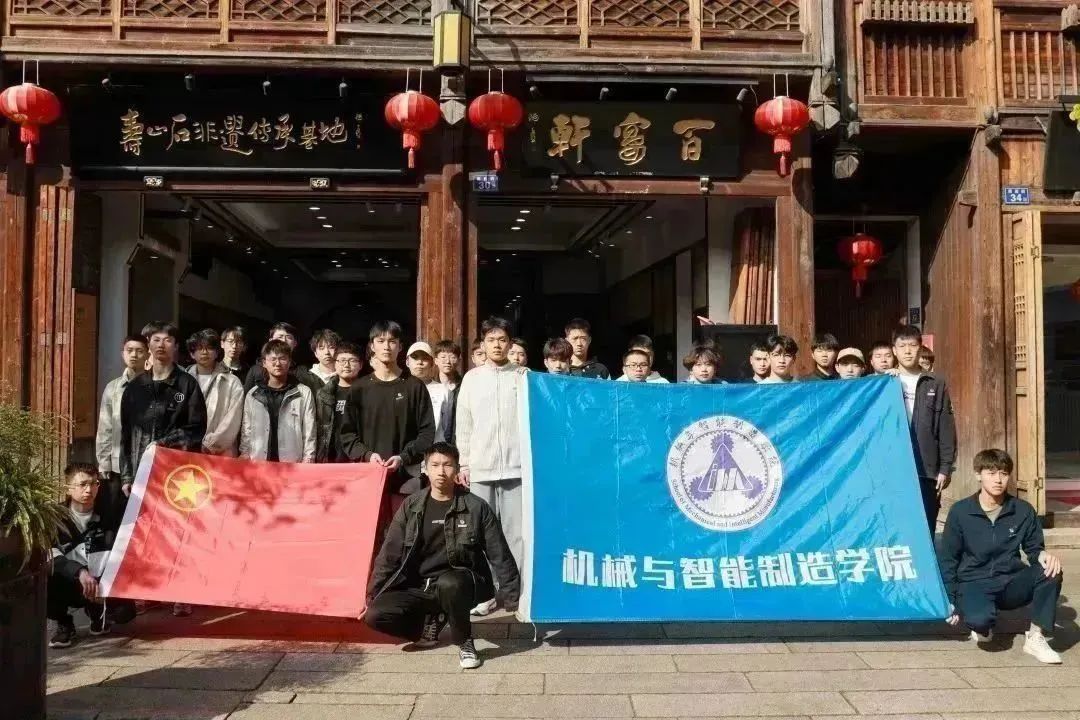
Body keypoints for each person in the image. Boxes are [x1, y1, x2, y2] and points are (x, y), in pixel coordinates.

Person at [364, 443, 520, 670]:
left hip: (464, 583)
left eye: (447, 465)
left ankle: (464, 640)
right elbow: (390, 553)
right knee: (375, 615)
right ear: (425, 469)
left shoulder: (475, 507)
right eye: (435, 465)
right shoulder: (412, 506)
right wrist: (372, 595)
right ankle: (428, 625)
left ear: (457, 468)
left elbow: (500, 553)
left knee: (450, 584)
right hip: (422, 586)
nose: (441, 471)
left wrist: (513, 598)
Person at [941, 449, 1064, 664]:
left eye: (1004, 473)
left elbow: (1034, 549)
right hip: (974, 581)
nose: (998, 480)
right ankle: (982, 623)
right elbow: (949, 559)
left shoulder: (1022, 510)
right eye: (991, 473)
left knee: (1051, 570)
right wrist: (948, 600)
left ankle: (1035, 637)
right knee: (980, 621)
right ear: (978, 475)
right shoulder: (961, 512)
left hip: (1010, 581)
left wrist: (1043, 555)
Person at [456, 316, 525, 616]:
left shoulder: (522, 377)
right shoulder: (472, 379)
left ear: (510, 344)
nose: (497, 345)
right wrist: (465, 462)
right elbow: (464, 423)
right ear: (482, 344)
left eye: (502, 339)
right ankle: (487, 593)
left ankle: (518, 593)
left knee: (516, 534)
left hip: (516, 468)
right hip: (481, 468)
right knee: (480, 534)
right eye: (491, 339)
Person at [339, 321, 435, 494]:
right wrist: (367, 455)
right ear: (372, 346)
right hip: (368, 476)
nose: (386, 347)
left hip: (407, 478)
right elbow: (347, 433)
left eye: (392, 341)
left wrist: (403, 457)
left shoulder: (414, 386)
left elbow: (427, 432)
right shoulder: (359, 388)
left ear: (400, 347)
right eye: (381, 341)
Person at [49, 465, 120, 648]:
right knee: (44, 580)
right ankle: (64, 623)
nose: (89, 490)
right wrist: (79, 572)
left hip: (100, 580)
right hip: (70, 581)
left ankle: (97, 612)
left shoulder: (109, 515)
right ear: (68, 488)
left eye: (94, 483)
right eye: (82, 484)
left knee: (124, 612)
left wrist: (104, 583)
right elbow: (48, 553)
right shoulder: (54, 518)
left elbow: (120, 550)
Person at [893, 326, 956, 532]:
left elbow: (946, 427)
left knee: (926, 524)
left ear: (920, 349)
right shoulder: (885, 382)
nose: (907, 351)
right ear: (894, 350)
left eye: (912, 345)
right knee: (897, 525)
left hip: (927, 468)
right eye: (902, 346)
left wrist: (945, 468)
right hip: (893, 467)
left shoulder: (936, 383)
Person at [95, 334, 148, 530]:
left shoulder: (155, 386)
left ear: (147, 354)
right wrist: (104, 461)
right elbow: (105, 426)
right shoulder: (113, 388)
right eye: (129, 350)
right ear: (122, 354)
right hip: (118, 464)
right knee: (114, 518)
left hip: (146, 463)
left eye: (139, 351)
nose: (134, 355)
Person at [239, 339, 316, 463]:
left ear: (290, 362)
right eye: (273, 359)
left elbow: (309, 431)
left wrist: (308, 459)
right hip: (259, 461)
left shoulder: (303, 393)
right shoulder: (253, 394)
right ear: (264, 363)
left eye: (282, 359)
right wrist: (245, 454)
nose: (277, 363)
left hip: (292, 462)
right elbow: (246, 430)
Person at [186, 329, 244, 457]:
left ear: (217, 352)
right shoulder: (183, 379)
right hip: (186, 449)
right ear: (192, 353)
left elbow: (233, 419)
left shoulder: (232, 382)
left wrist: (211, 444)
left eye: (209, 348)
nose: (204, 352)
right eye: (199, 348)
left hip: (220, 452)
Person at [244, 322, 324, 395]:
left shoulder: (303, 372)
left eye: (289, 337)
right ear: (270, 341)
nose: (284, 340)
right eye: (280, 337)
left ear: (295, 343)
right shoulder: (256, 370)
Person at [315, 342, 363, 463]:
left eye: (352, 360)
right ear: (335, 364)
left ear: (361, 365)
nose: (346, 365)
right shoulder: (323, 394)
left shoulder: (367, 392)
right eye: (342, 360)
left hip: (359, 457)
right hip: (330, 457)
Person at [407, 341, 450, 445]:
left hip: (435, 449)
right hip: (405, 451)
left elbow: (447, 425)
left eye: (425, 358)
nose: (420, 362)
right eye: (415, 358)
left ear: (432, 363)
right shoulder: (399, 389)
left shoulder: (443, 390)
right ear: (407, 362)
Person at [433, 340, 462, 444]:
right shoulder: (430, 386)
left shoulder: (464, 385)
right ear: (436, 360)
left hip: (459, 441)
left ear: (459, 360)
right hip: (435, 442)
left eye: (452, 357)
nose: (448, 361)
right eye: (443, 357)